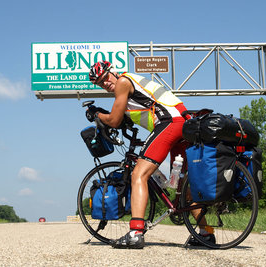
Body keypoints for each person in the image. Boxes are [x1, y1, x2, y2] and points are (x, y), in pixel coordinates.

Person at [87, 60, 213, 249]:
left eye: (105, 78)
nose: (105, 84)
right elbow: (131, 113)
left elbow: (113, 120)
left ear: (112, 72)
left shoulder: (122, 82)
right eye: (100, 83)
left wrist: (97, 115)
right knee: (183, 184)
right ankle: (206, 234)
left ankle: (136, 233)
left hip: (169, 122)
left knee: (139, 173)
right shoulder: (131, 84)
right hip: (184, 125)